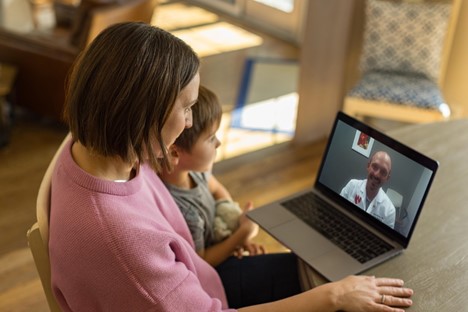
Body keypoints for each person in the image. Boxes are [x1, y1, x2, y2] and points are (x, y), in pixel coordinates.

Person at [49, 22, 413, 311]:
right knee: (338, 292)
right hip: (209, 296)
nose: (190, 124)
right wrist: (334, 297)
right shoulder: (123, 246)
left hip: (201, 278)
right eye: (187, 108)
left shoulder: (91, 145)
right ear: (142, 116)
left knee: (322, 273)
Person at [160, 85, 265, 267]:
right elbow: (202, 260)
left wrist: (234, 228)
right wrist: (242, 234)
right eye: (210, 138)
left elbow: (216, 189)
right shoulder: (185, 212)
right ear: (175, 153)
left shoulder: (195, 172)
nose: (218, 142)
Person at [340, 151, 396, 228]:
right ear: (368, 166)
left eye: (383, 172)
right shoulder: (352, 185)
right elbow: (338, 210)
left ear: (387, 178)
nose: (377, 174)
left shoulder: (390, 211)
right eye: (375, 167)